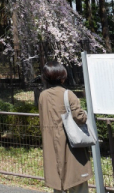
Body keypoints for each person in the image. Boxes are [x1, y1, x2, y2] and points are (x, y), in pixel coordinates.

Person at [39, 61, 92, 193]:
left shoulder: (42, 96)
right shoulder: (67, 94)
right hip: (70, 145)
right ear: (62, 77)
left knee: (58, 183)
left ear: (45, 78)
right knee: (77, 183)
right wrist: (85, 114)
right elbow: (80, 117)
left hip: (51, 144)